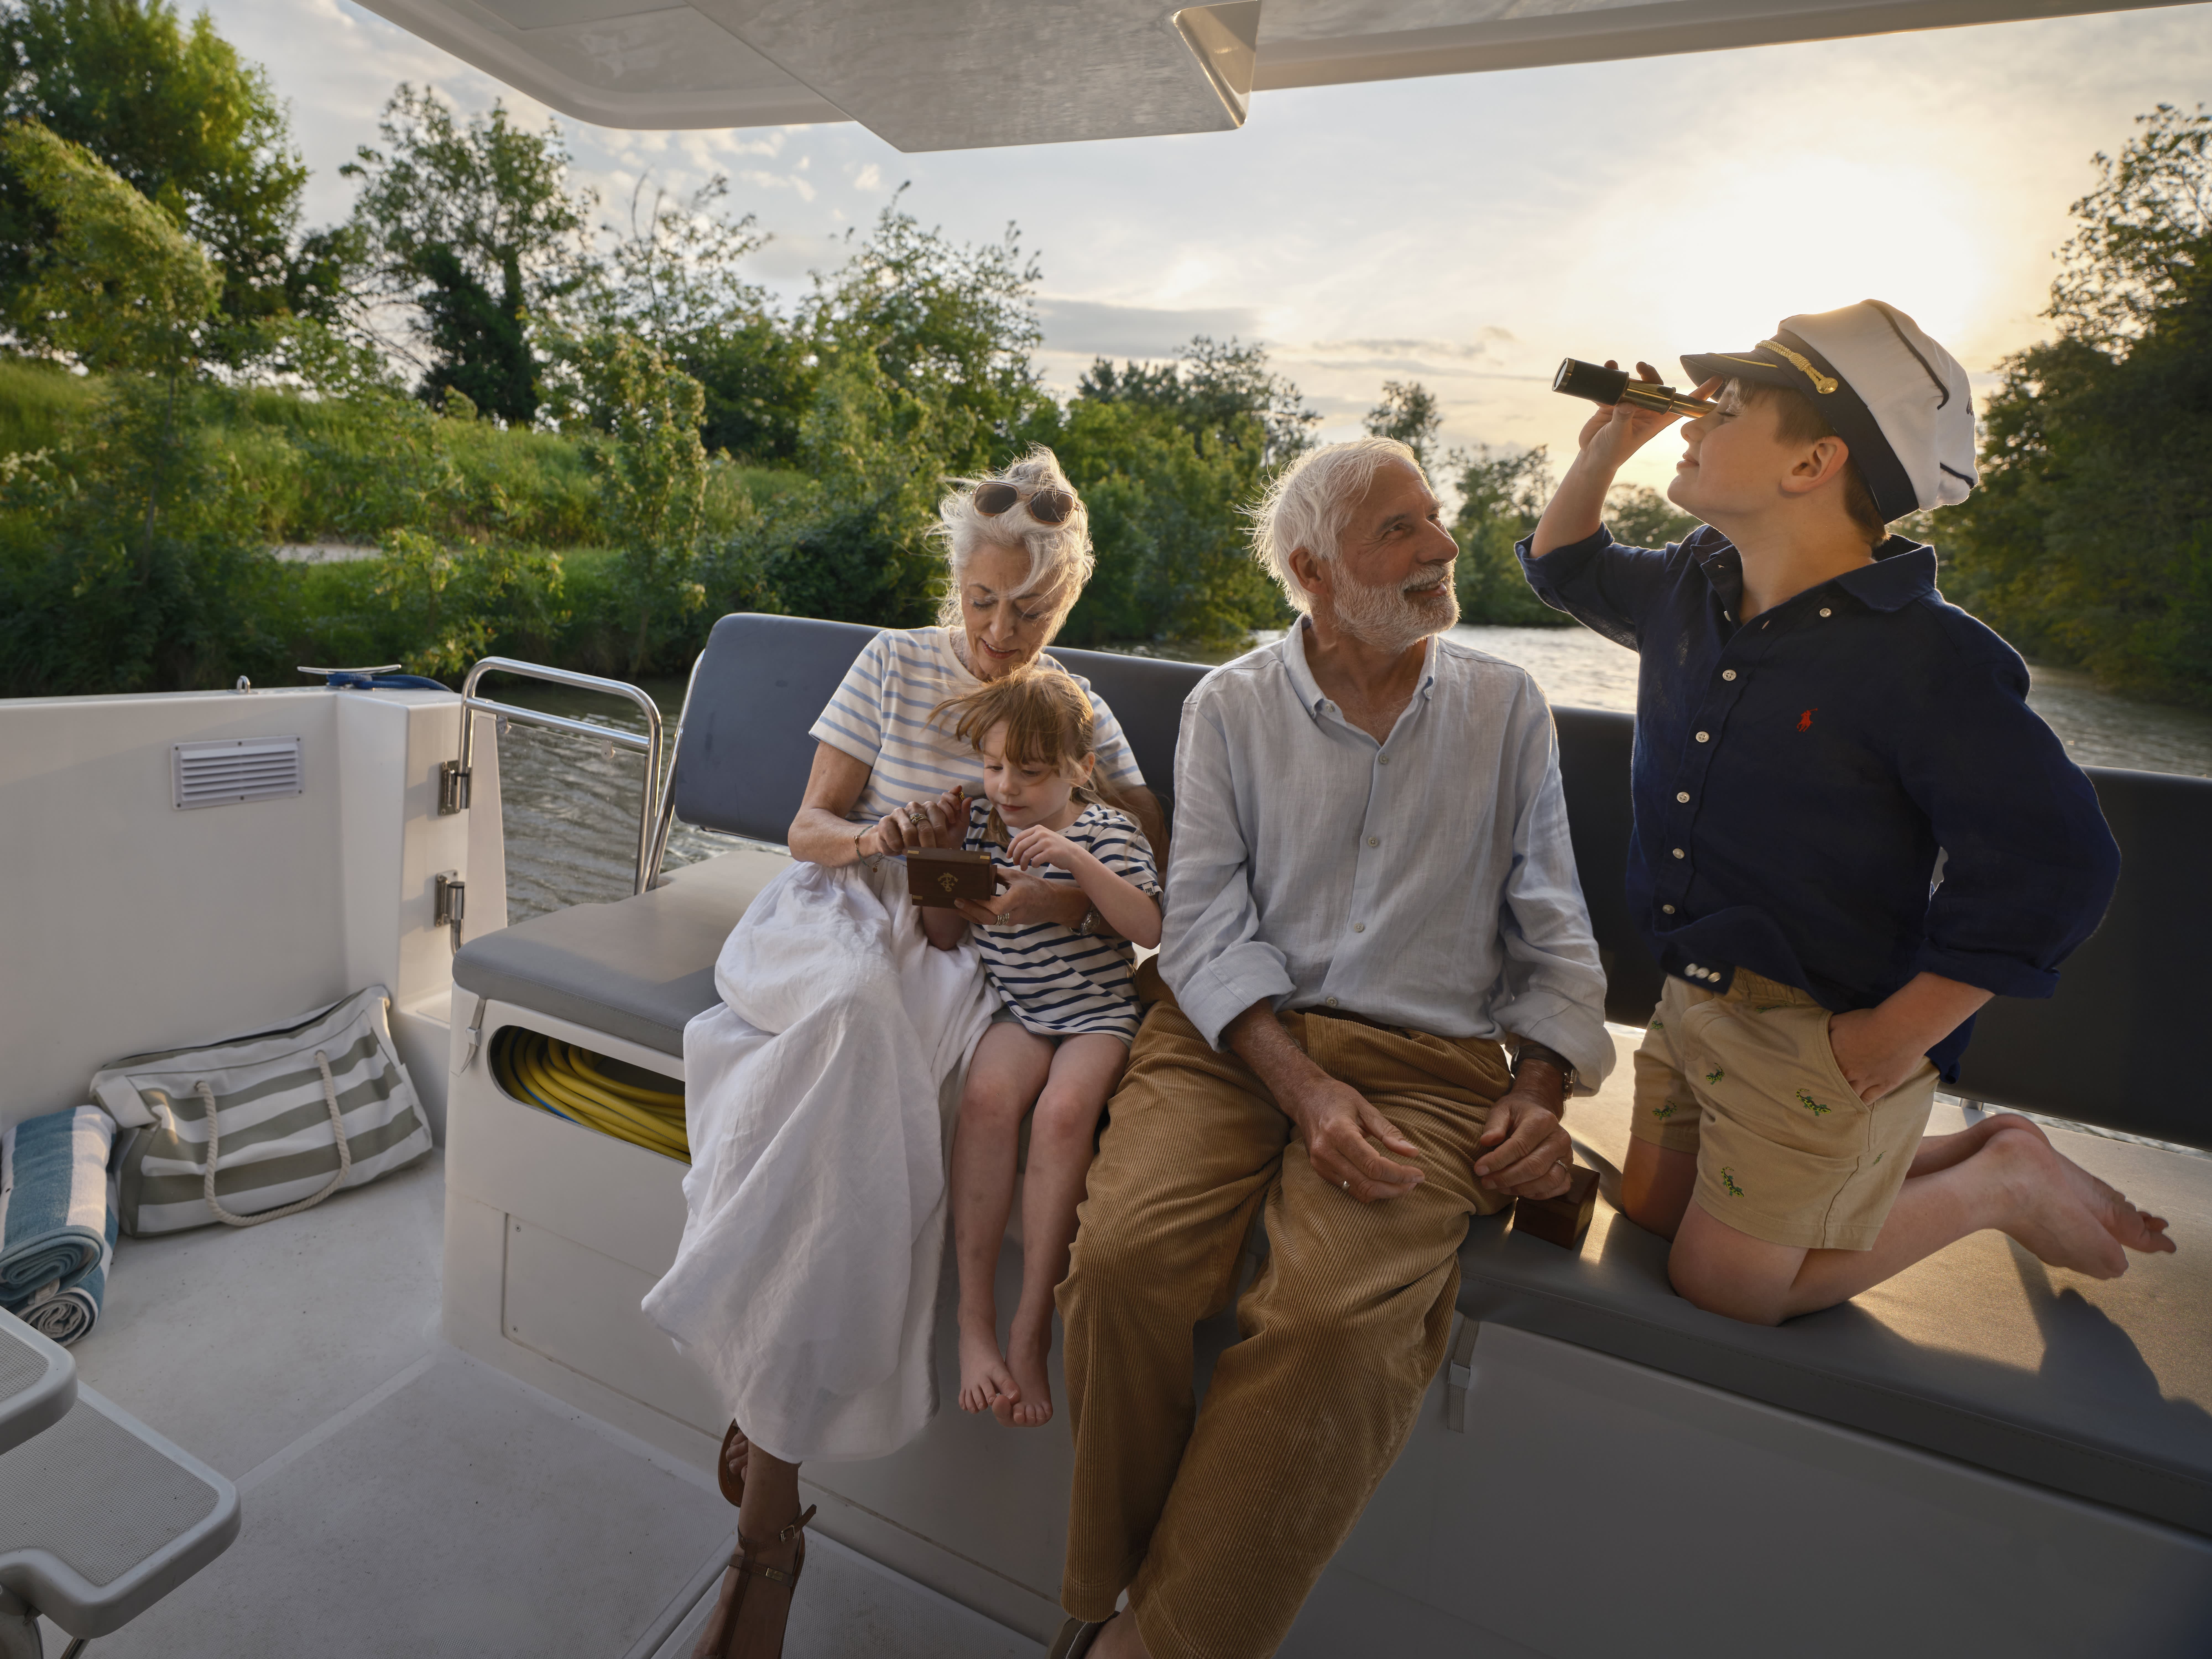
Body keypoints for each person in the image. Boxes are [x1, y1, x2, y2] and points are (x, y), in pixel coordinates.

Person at [1053, 437, 1617, 1659]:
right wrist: (1299, 1088)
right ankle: (1104, 1595)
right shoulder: (1230, 708)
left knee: (1329, 1324)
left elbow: (1550, 921)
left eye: (1435, 518)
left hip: (1428, 1065)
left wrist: (1540, 1084)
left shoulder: (1502, 706)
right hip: (1229, 1042)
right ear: (1312, 570)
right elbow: (1199, 924)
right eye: (1399, 530)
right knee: (1122, 1263)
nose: (1442, 547)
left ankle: (1145, 1646)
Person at [1518, 300, 2175, 1331]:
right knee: (1650, 1211)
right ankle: (1977, 1145)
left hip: (1820, 1029)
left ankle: (2002, 1185)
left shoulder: (1928, 658)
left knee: (1725, 1284)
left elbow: (2057, 865)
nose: (1690, 423)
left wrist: (1890, 1042)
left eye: (1725, 409)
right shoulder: (1696, 585)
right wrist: (1608, 448)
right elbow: (1564, 567)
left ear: (1812, 463)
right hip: (1693, 999)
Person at [641, 447, 1164, 1659]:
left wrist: (1046, 874)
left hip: (969, 954)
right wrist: (884, 831)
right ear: (955, 584)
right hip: (839, 914)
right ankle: (770, 1479)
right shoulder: (888, 665)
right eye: (980, 600)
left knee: (868, 1053)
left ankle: (765, 1473)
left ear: (1066, 602)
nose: (996, 629)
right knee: (844, 1027)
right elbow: (806, 829)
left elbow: (1141, 849)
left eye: (1027, 609)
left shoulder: (1073, 709)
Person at [914, 667, 1163, 1430]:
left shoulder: (1107, 831)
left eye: (1031, 771)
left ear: (1082, 769)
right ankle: (975, 1322)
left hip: (1096, 1019)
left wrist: (1076, 864)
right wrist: (944, 864)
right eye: (994, 768)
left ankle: (1030, 1332)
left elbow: (1150, 931)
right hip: (1020, 1014)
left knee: (1061, 1118)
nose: (1008, 787)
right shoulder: (985, 828)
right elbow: (943, 935)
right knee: (986, 1101)